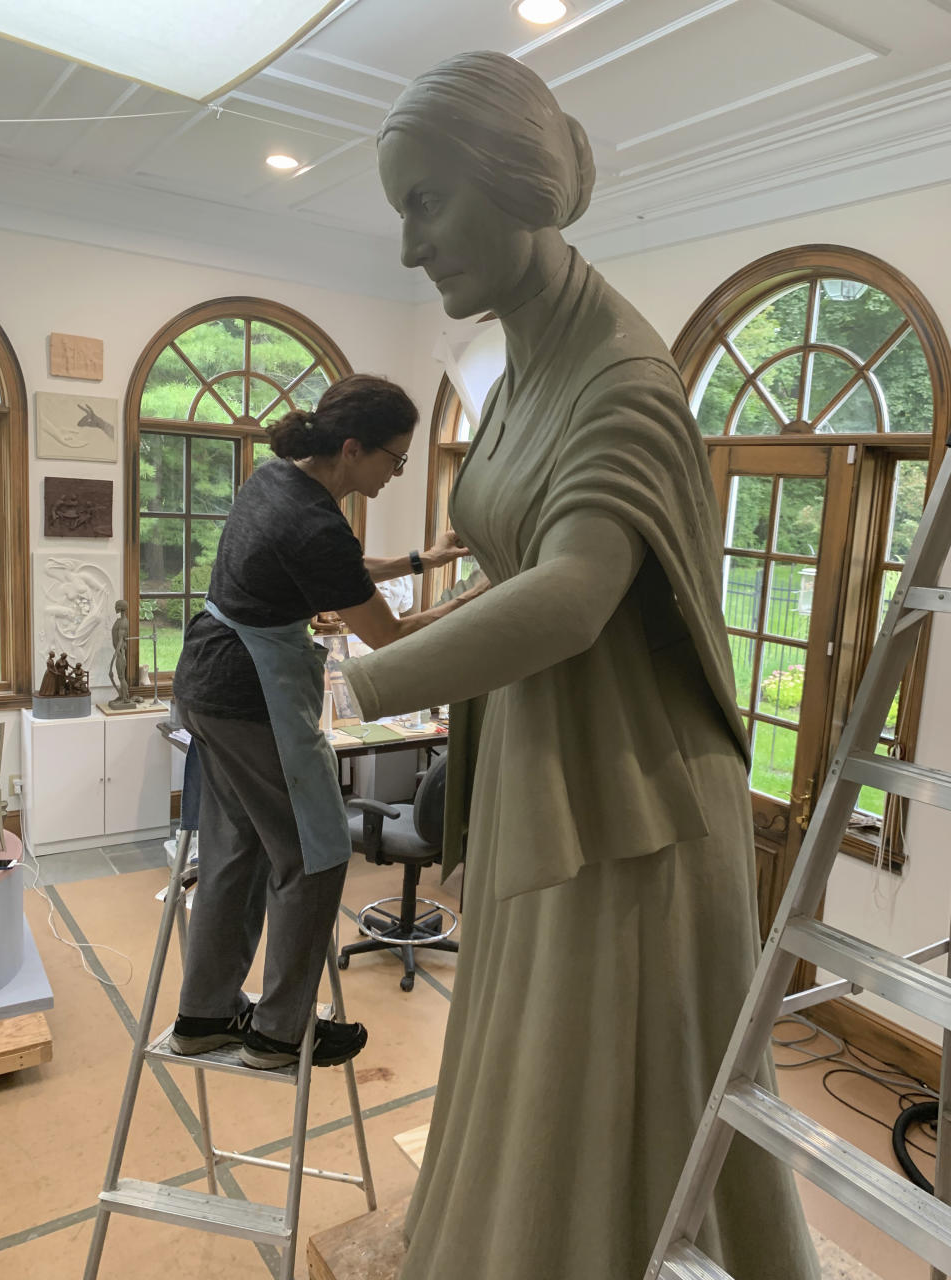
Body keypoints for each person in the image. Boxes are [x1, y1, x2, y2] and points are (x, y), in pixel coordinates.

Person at [339, 52, 821, 1280]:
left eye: (425, 200)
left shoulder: (624, 372)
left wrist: (362, 682)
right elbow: (514, 557)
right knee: (529, 1066)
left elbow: (573, 593)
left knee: (600, 1085)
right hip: (547, 765)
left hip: (633, 801)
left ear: (514, 186)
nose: (408, 247)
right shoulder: (520, 367)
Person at [169, 373, 478, 1071]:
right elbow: (391, 636)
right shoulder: (311, 522)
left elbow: (342, 572)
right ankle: (279, 1033)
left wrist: (422, 559)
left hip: (208, 686)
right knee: (317, 853)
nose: (397, 473)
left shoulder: (276, 480)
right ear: (351, 448)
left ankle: (203, 1015)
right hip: (252, 697)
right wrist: (476, 598)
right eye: (394, 459)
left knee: (238, 850)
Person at [108, 600, 135, 708]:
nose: (115, 608)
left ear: (120, 608)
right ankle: (122, 695)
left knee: (121, 677)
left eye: (116, 606)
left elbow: (120, 640)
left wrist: (114, 657)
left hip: (120, 654)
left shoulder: (123, 622)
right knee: (118, 676)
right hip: (118, 653)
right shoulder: (119, 620)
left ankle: (125, 698)